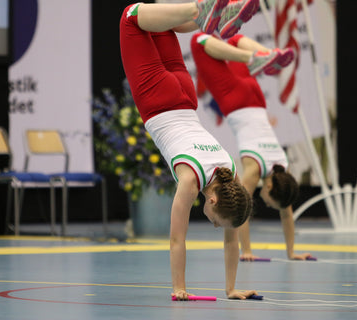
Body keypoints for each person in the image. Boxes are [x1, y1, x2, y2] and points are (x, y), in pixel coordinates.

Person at [120, 0, 281, 300]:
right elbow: (176, 240)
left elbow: (231, 240)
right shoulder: (190, 181)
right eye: (216, 220)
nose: (214, 225)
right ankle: (201, 9)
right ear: (214, 199)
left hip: (184, 94)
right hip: (158, 100)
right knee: (131, 16)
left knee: (160, 23)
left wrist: (231, 289)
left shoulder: (229, 170)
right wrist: (179, 288)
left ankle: (206, 19)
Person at [190, 32, 313, 261]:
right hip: (235, 101)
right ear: (268, 188)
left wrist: (291, 252)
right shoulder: (255, 170)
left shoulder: (282, 170)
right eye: (268, 200)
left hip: (256, 99)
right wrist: (246, 251)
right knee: (197, 42)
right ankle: (251, 54)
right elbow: (240, 210)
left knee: (236, 41)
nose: (266, 203)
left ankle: (264, 55)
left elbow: (287, 214)